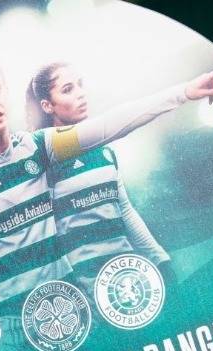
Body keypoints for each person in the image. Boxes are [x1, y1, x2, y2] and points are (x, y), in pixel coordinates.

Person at [0, 55, 213, 351]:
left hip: (76, 311)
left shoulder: (38, 147)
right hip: (19, 327)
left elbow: (108, 127)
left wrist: (184, 92)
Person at [25, 61, 174, 296]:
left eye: (80, 85)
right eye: (68, 89)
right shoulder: (40, 160)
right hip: (82, 291)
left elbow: (124, 210)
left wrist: (159, 259)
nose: (80, 94)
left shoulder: (104, 151)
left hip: (127, 280)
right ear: (47, 105)